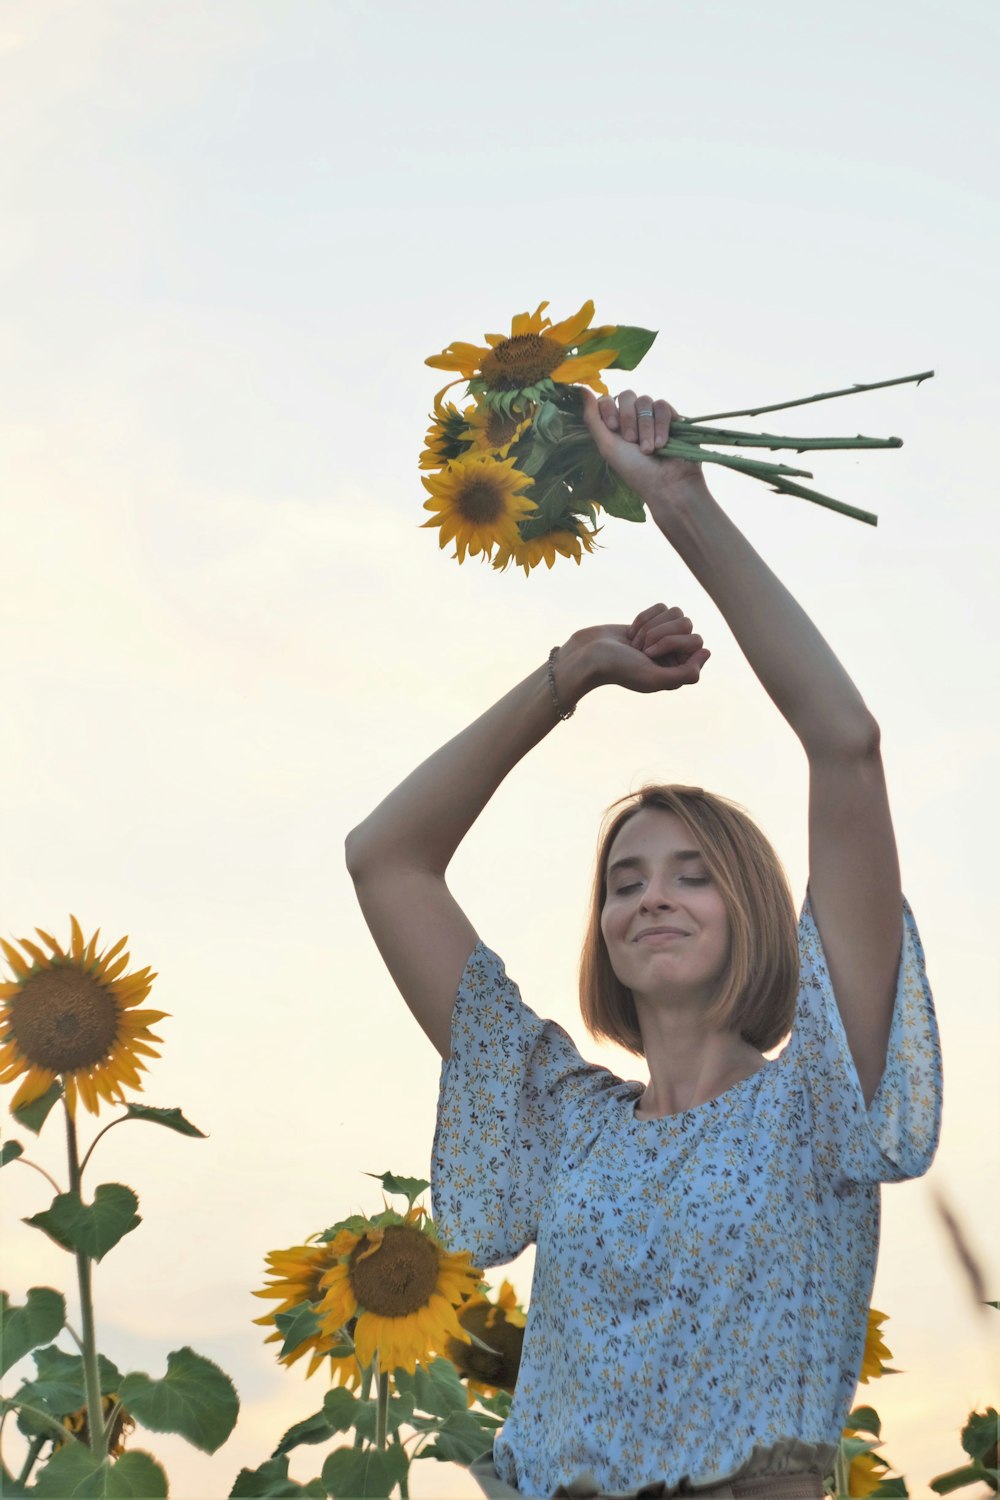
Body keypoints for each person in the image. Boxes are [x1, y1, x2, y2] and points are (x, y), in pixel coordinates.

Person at [345, 388, 942, 1499]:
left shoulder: (817, 1099)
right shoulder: (564, 1124)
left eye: (690, 875)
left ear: (757, 910)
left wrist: (680, 502)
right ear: (603, 932)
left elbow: (844, 745)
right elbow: (387, 859)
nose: (649, 900)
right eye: (623, 882)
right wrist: (566, 677)